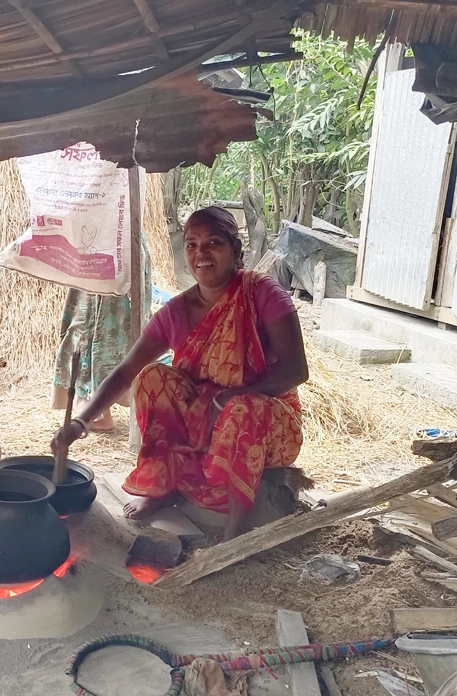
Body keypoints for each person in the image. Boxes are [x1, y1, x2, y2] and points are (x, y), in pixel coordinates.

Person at [53, 207, 307, 541]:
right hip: (204, 417)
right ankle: (165, 490)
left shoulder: (261, 294)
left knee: (242, 408)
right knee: (152, 379)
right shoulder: (176, 311)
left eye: (213, 243)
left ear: (235, 249)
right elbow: (127, 371)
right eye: (191, 245)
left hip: (267, 422)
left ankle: (235, 529)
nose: (200, 253)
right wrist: (81, 421)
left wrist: (236, 394)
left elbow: (296, 370)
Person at [51, 241, 151, 432]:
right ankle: (97, 412)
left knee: (109, 336)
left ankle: (97, 412)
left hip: (119, 258)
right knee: (83, 330)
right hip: (96, 255)